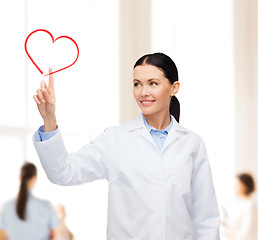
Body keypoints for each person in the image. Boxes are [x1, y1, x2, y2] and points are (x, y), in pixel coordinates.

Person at [32, 52, 220, 239]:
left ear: (174, 88)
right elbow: (63, 172)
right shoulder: (115, 140)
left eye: (153, 83)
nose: (143, 92)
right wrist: (49, 118)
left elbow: (205, 218)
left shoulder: (192, 144)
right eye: (137, 84)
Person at [0, 162, 60, 240]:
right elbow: (55, 235)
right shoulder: (46, 205)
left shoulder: (6, 206)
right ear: (35, 178)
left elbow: (2, 237)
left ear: (19, 177)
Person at [221, 173, 257, 240]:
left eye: (237, 184)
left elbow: (247, 231)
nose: (233, 186)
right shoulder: (238, 202)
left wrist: (229, 234)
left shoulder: (250, 205)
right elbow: (234, 221)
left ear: (245, 186)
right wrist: (224, 222)